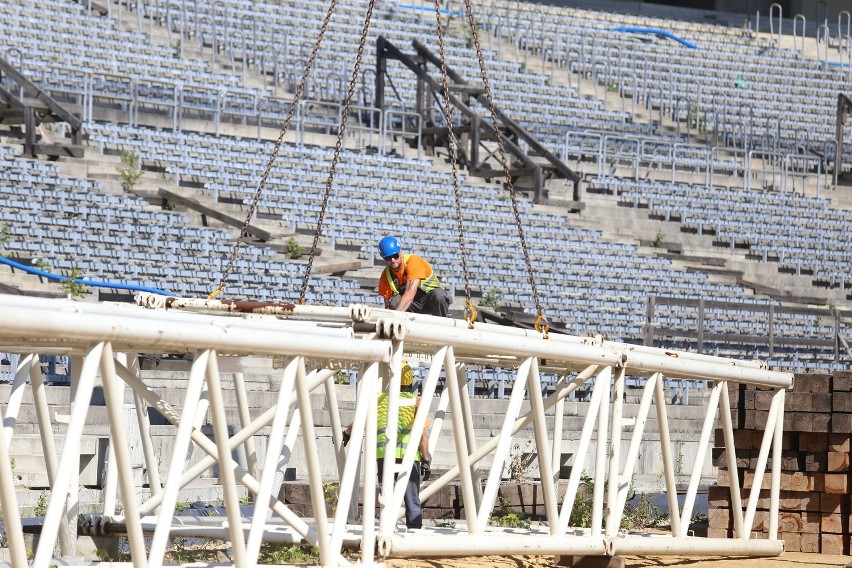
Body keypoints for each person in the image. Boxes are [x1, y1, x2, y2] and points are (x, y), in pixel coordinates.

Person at [344, 362, 432, 529]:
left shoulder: (378, 399)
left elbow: (358, 422)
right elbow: (423, 435)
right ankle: (414, 538)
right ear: (409, 383)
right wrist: (426, 460)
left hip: (384, 455)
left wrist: (347, 434)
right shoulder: (416, 402)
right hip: (409, 457)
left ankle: (387, 531)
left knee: (387, 497)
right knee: (412, 499)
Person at [377, 236, 450, 317]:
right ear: (384, 259)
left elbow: (409, 295)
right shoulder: (386, 275)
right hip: (412, 306)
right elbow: (387, 305)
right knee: (395, 301)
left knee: (439, 295)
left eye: (395, 256)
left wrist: (394, 318)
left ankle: (440, 326)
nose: (393, 260)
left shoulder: (413, 262)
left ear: (401, 253)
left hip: (430, 301)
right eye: (388, 258)